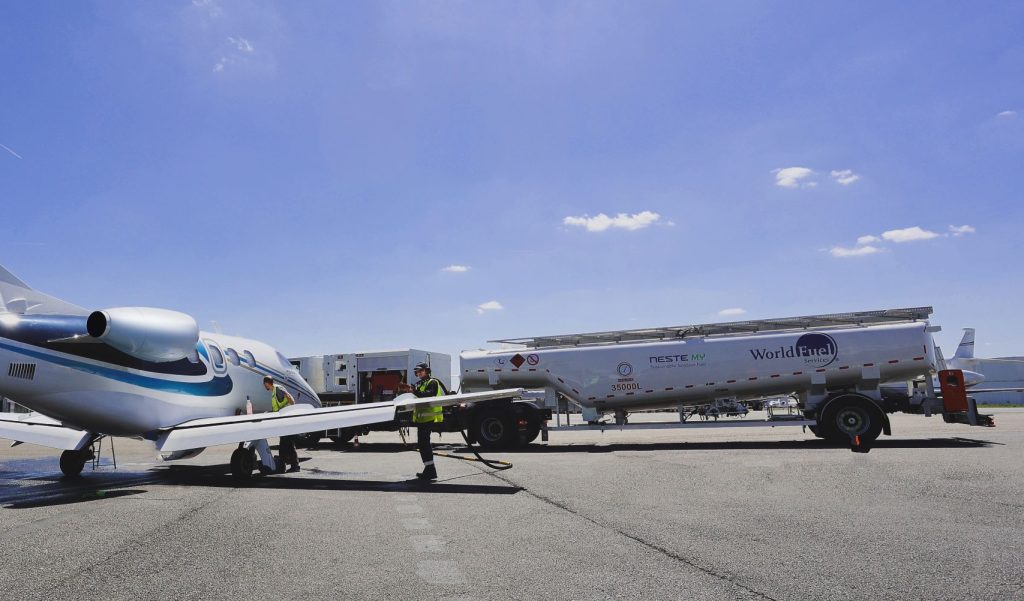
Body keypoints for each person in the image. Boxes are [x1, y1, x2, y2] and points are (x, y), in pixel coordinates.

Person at [399, 362, 447, 481]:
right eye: (417, 371)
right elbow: (416, 396)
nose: (418, 373)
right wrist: (408, 390)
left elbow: (428, 395)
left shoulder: (433, 382)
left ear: (427, 371)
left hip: (429, 418)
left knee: (424, 444)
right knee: (422, 444)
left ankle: (430, 471)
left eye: (421, 371)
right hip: (421, 419)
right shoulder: (420, 384)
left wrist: (414, 391)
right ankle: (429, 469)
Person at [263, 376, 300, 473]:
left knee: (288, 444)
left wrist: (290, 410)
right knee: (284, 445)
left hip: (287, 420)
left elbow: (289, 398)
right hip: (283, 421)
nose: (264, 386)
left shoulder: (278, 389)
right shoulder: (274, 391)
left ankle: (294, 466)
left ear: (267, 383)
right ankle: (283, 466)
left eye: (264, 384)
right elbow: (278, 407)